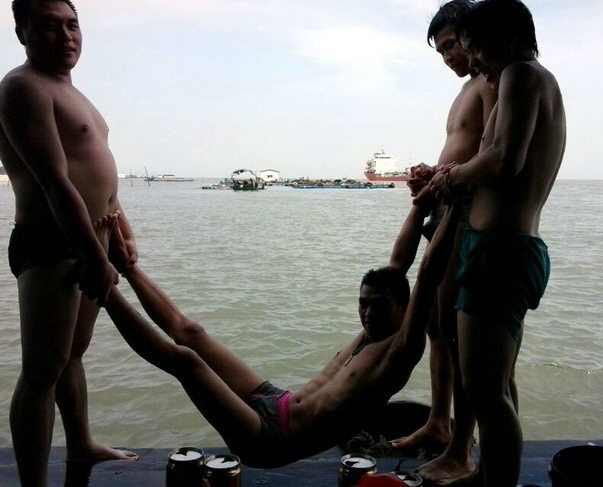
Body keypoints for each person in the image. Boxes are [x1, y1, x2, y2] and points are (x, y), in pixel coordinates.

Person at [93, 191, 462, 469]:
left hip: (272, 439)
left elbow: (428, 274)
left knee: (186, 362)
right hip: (277, 402)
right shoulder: (371, 331)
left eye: (378, 305)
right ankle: (126, 268)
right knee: (191, 332)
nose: (367, 313)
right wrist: (419, 204)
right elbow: (397, 264)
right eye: (362, 303)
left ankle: (103, 289)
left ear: (404, 308)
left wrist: (456, 207)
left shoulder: (402, 348)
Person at [0, 1, 139, 485]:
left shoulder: (75, 93)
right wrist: (93, 255)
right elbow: (54, 181)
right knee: (42, 372)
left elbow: (98, 172)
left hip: (90, 239)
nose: (65, 36)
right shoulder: (23, 87)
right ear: (22, 33)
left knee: (72, 356)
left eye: (72, 25)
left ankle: (79, 442)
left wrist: (120, 231)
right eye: (48, 27)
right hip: (52, 242)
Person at [429, 0, 566, 485]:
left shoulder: (521, 74)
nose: (474, 62)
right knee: (498, 383)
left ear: (503, 40)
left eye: (475, 49)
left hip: (501, 251)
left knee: (485, 390)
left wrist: (450, 177)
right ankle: (490, 471)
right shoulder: (534, 79)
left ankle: (496, 481)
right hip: (503, 248)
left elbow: (506, 159)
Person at [388, 1, 496, 483]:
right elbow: (462, 148)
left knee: (458, 334)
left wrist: (447, 179)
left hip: (467, 214)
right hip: (445, 205)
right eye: (442, 51)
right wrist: (432, 174)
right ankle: (438, 421)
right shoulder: (465, 89)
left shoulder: (492, 82)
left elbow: (492, 150)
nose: (450, 57)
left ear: (472, 36)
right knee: (435, 325)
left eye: (452, 45)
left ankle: (461, 448)